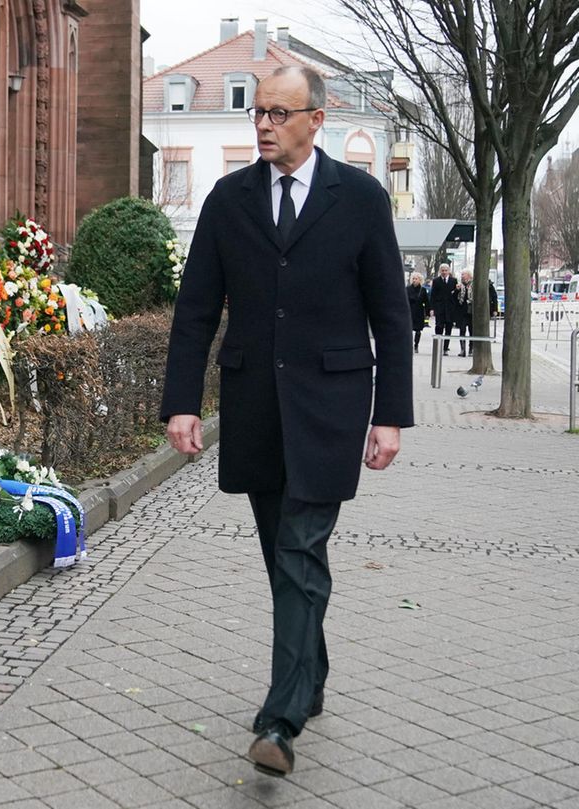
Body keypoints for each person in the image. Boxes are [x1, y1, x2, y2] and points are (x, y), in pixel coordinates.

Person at [160, 65, 412, 779]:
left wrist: (390, 415)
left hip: (331, 407)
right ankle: (313, 672)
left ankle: (281, 716)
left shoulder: (360, 199)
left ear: (316, 120)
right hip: (256, 408)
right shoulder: (229, 199)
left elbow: (391, 317)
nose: (263, 123)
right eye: (257, 112)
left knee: (301, 548)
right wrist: (182, 401)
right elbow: (195, 311)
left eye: (278, 111)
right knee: (284, 556)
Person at [429, 264, 458, 354]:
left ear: (449, 271)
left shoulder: (454, 281)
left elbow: (456, 295)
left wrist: (457, 290)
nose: (444, 272)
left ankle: (446, 347)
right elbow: (432, 295)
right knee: (439, 327)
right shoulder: (436, 281)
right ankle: (438, 346)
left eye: (446, 270)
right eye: (442, 270)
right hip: (440, 307)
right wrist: (432, 308)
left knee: (448, 328)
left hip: (450, 308)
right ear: (440, 271)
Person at [407, 271, 429, 352]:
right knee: (408, 330)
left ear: (420, 280)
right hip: (409, 312)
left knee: (418, 330)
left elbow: (426, 302)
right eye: (413, 278)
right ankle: (409, 345)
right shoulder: (408, 289)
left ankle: (416, 345)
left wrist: (427, 312)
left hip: (419, 312)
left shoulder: (423, 290)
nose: (414, 280)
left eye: (416, 279)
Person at [455, 270, 474, 357]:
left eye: (464, 274)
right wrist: (456, 290)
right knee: (462, 330)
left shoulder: (473, 285)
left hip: (471, 312)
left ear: (469, 276)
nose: (462, 276)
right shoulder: (459, 285)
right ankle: (463, 349)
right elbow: (454, 298)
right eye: (461, 274)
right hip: (462, 312)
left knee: (472, 331)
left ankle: (471, 349)